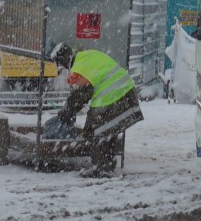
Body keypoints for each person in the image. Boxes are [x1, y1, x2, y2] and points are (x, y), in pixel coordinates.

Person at [47, 43, 144, 178]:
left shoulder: (80, 66)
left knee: (94, 129)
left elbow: (82, 93)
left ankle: (101, 168)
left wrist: (66, 112)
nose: (62, 68)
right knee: (108, 129)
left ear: (64, 60)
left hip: (115, 95)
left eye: (61, 65)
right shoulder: (85, 56)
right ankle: (106, 165)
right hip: (126, 93)